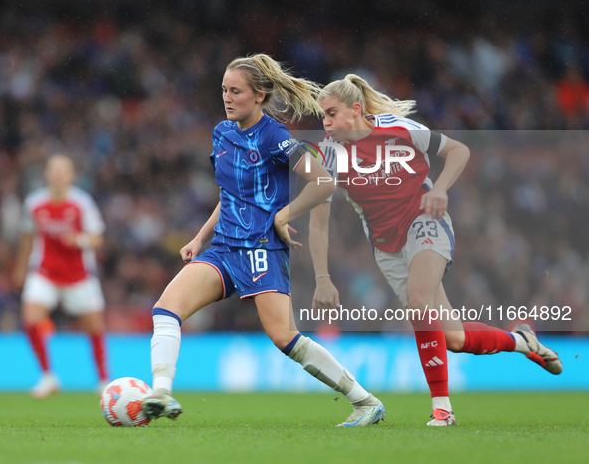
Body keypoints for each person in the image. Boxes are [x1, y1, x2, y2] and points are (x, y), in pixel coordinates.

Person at [141, 54, 385, 427]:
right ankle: (160, 392)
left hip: (261, 249)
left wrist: (284, 215)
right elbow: (230, 195)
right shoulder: (222, 133)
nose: (227, 97)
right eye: (224, 90)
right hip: (223, 249)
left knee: (284, 337)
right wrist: (199, 237)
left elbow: (322, 181)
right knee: (165, 309)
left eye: (236, 91)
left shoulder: (274, 136)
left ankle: (365, 401)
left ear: (259, 95)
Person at [308, 74, 562, 426]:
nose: (326, 123)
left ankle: (442, 408)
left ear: (355, 110)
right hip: (386, 246)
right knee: (454, 338)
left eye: (332, 113)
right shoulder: (327, 156)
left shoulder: (399, 129)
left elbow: (460, 150)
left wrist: (439, 189)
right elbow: (318, 224)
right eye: (322, 116)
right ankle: (521, 341)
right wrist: (323, 278)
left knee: (418, 298)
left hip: (425, 220)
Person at [13, 155, 109, 398]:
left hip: (79, 276)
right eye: (53, 170)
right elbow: (27, 237)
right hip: (44, 272)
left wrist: (80, 240)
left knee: (95, 327)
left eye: (63, 170)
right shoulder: (34, 204)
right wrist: (20, 268)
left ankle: (102, 380)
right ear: (46, 174)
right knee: (30, 317)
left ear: (70, 175)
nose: (57, 174)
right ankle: (47, 376)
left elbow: (97, 238)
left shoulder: (82, 203)